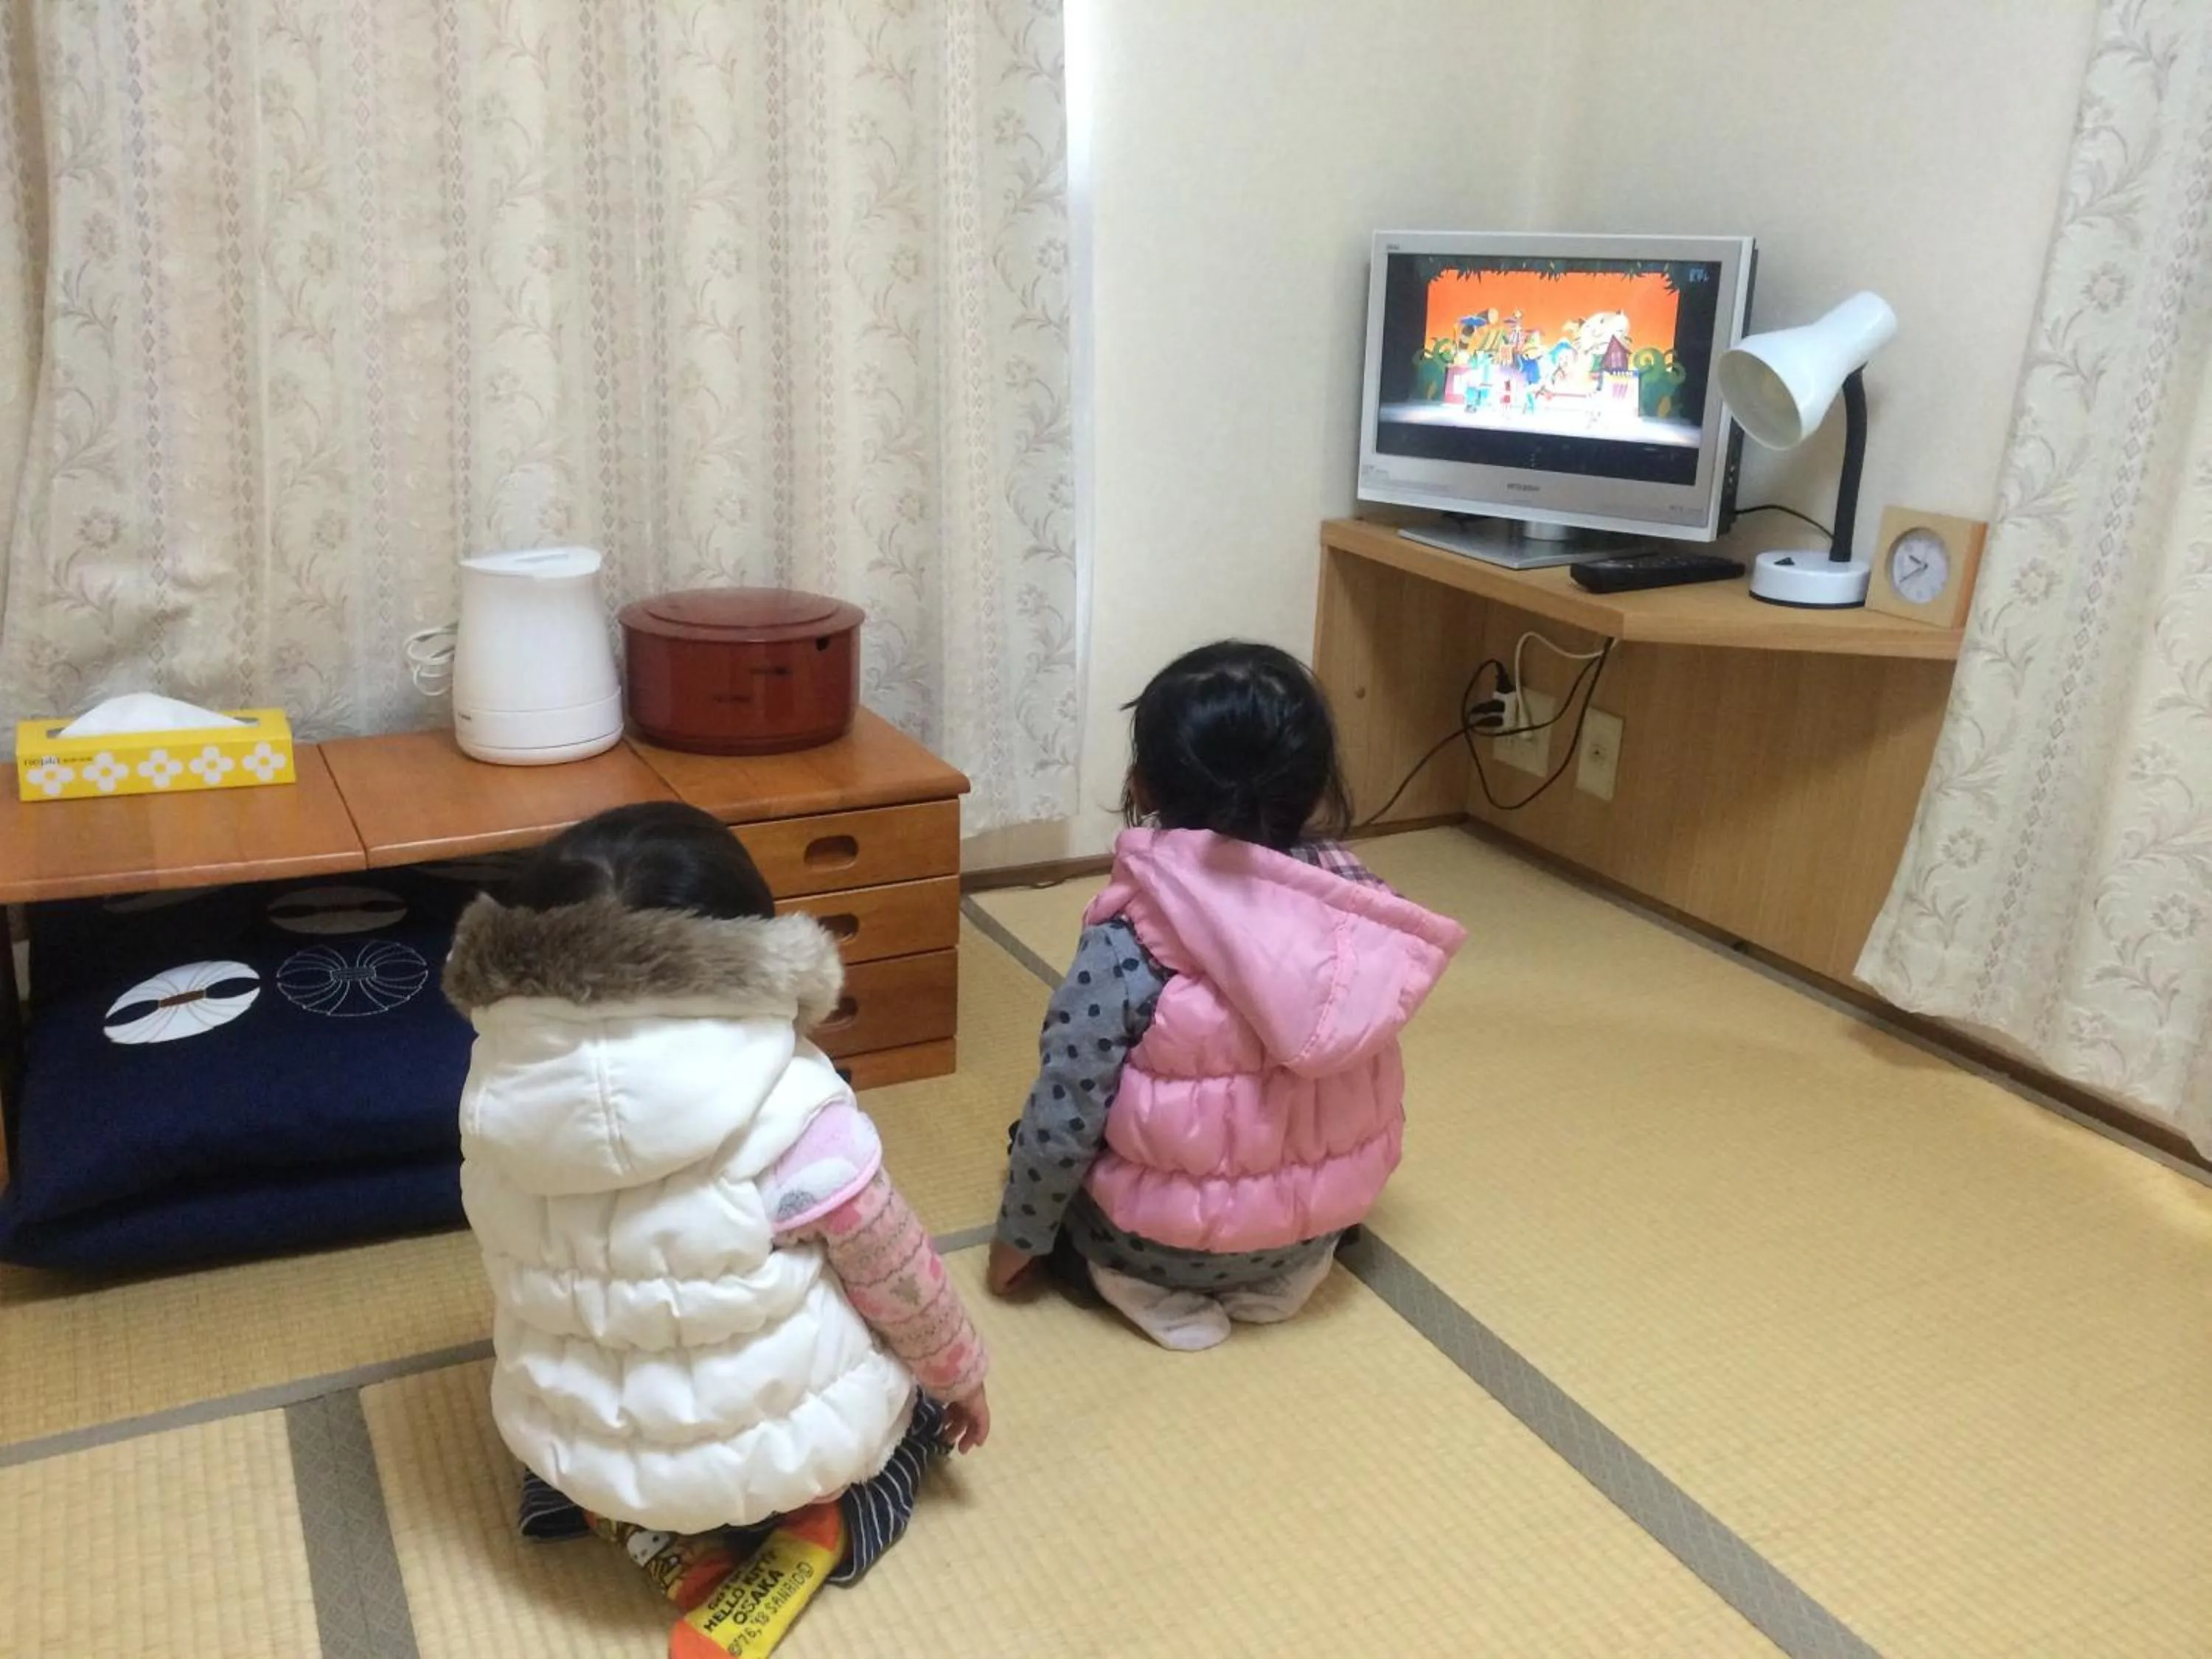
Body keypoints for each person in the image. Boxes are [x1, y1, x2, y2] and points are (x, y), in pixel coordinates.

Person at [442, 802, 989, 1621]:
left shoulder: (497, 1098)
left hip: (575, 1443)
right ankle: (835, 1522)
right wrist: (962, 1377)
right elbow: (899, 1276)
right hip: (780, 1453)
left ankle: (607, 1513)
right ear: (759, 949)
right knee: (915, 1408)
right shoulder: (797, 1110)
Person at [985, 642, 1465, 1350]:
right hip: (1309, 1228)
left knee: (1028, 1140)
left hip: (1157, 1245)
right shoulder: (1356, 913)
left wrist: (1018, 1240)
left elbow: (1067, 1108)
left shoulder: (1132, 934)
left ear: (1144, 784)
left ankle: (1145, 1289)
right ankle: (1276, 1280)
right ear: (1315, 784)